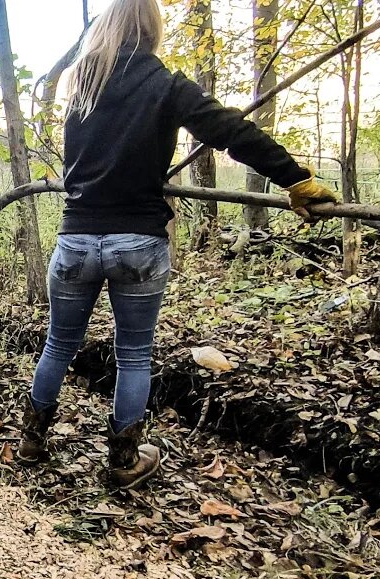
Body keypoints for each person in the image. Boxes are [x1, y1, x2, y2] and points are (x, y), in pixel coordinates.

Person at [17, 0, 337, 488]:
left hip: (76, 237)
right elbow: (232, 132)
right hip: (139, 241)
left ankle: (31, 442)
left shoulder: (81, 89)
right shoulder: (166, 85)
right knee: (134, 355)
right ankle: (123, 463)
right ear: (152, 31)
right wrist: (295, 179)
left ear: (104, 30)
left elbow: (82, 162)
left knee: (58, 345)